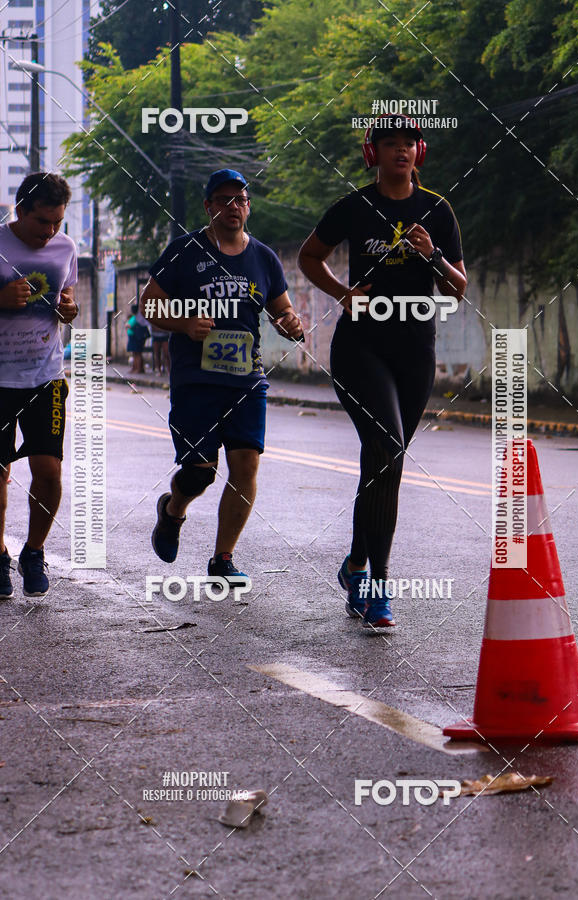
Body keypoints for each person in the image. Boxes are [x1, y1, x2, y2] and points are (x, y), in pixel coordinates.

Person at [298, 116, 467, 630]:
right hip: (360, 350)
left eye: (408, 143)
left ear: (421, 150)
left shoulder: (437, 209)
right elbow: (311, 256)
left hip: (415, 352)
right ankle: (378, 587)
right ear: (373, 153)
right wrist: (342, 294)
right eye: (388, 143)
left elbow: (457, 288)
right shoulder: (354, 206)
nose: (400, 151)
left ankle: (354, 564)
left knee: (383, 462)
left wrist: (431, 255)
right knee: (388, 450)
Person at [141, 168, 303, 581]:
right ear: (209, 205)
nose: (234, 207)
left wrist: (290, 321)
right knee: (199, 471)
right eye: (225, 199)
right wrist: (184, 323)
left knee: (246, 465)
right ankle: (173, 510)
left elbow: (282, 308)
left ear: (248, 206)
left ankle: (223, 559)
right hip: (197, 380)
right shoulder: (184, 250)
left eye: (241, 199)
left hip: (246, 380)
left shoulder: (263, 257)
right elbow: (149, 306)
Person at [0, 172, 79, 599]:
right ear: (21, 210)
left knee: (48, 471)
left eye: (57, 222)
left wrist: (70, 309)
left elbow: (69, 304)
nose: (50, 232)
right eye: (42, 222)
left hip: (44, 377)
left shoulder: (66, 248)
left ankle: (34, 551)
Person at [126, 304, 149, 374]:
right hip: (132, 337)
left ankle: (139, 368)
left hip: (137, 337)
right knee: (134, 353)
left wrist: (128, 326)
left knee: (138, 353)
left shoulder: (138, 318)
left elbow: (134, 326)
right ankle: (134, 367)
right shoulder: (134, 317)